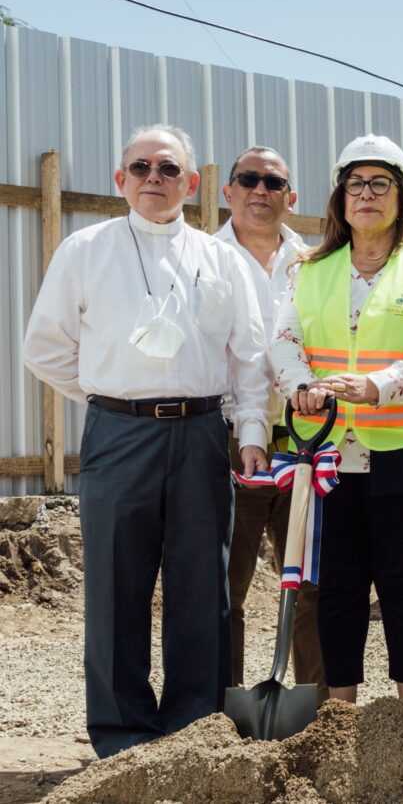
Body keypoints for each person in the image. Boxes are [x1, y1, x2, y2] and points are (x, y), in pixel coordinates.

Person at [23, 124, 270, 758]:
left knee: (201, 587)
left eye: (167, 169)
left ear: (192, 183)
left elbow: (248, 359)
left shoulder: (222, 260)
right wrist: (112, 395)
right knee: (115, 587)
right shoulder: (85, 250)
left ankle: (192, 732)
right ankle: (123, 737)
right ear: (120, 180)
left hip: (201, 435)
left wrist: (250, 435)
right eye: (140, 168)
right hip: (117, 435)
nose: (152, 178)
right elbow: (44, 349)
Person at [270, 134, 403, 704]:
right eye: (356, 183)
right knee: (339, 585)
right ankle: (341, 711)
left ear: (402, 199)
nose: (367, 194)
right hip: (331, 453)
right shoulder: (309, 268)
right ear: (340, 198)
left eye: (381, 184)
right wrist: (302, 388)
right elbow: (283, 342)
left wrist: (375, 387)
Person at [216, 146, 326, 704]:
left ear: (291, 196)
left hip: (306, 444)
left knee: (310, 583)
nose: (261, 190)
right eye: (249, 179)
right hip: (228, 441)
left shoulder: (313, 266)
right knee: (225, 588)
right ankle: (222, 706)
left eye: (273, 181)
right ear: (227, 190)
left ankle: (315, 707)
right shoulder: (201, 260)